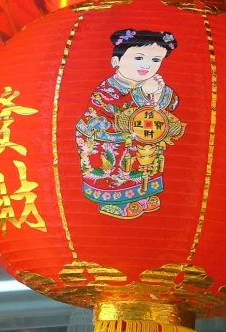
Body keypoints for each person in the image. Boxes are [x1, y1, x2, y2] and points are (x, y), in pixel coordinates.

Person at [76, 29, 184, 219]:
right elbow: (117, 112)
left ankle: (142, 197)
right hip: (109, 139)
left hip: (140, 141)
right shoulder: (108, 89)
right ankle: (114, 203)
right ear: (116, 61)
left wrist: (158, 93)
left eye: (155, 60)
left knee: (144, 167)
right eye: (139, 58)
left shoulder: (151, 84)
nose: (147, 66)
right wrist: (143, 93)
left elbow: (172, 105)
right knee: (115, 171)